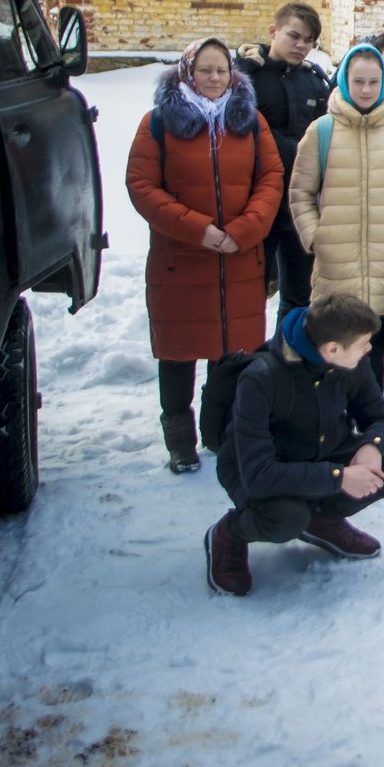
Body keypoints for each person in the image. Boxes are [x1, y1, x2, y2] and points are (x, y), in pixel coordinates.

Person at [127, 38, 285, 471]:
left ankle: (220, 435)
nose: (215, 79)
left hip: (238, 258)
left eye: (222, 70)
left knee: (231, 356)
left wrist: (242, 231)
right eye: (205, 70)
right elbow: (142, 186)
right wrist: (200, 231)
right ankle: (180, 442)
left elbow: (271, 179)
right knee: (178, 354)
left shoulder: (250, 122)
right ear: (186, 73)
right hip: (181, 260)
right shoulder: (158, 123)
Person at [205, 293, 384, 596]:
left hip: (322, 453)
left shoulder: (351, 362)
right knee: (287, 518)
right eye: (363, 343)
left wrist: (372, 446)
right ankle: (229, 533)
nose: (369, 349)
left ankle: (322, 521)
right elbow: (259, 475)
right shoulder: (261, 378)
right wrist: (339, 478)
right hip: (260, 472)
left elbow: (383, 418)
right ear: (331, 349)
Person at [288, 44, 384, 384]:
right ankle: (334, 426)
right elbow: (300, 193)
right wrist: (314, 236)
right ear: (344, 81)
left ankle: (370, 425)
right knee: (335, 352)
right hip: (336, 261)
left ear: (383, 83)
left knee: (373, 350)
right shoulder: (322, 130)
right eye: (358, 81)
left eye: (373, 81)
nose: (366, 89)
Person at [235, 1, 330, 319]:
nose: (301, 45)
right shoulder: (248, 77)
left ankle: (286, 362)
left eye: (309, 41)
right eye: (294, 36)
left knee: (299, 297)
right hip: (257, 203)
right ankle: (246, 363)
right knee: (250, 292)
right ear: (273, 31)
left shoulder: (314, 82)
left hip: (300, 204)